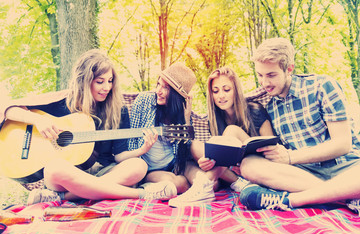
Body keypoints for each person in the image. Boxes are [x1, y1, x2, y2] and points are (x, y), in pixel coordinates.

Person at [3, 49, 176, 205]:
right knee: (54, 168)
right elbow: (7, 109)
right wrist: (37, 120)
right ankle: (140, 194)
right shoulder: (64, 102)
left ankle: (64, 197)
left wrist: (142, 150)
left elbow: (119, 157)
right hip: (68, 176)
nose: (107, 87)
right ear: (85, 81)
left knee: (138, 166)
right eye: (100, 81)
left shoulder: (118, 110)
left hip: (105, 172)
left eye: (110, 81)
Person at [237, 37, 360, 215]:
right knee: (249, 165)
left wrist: (289, 156)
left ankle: (290, 200)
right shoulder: (269, 103)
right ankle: (345, 196)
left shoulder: (322, 86)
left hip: (346, 167)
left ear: (289, 69)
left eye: (271, 75)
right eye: (260, 75)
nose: (265, 83)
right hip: (303, 175)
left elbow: (343, 144)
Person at [168, 67, 275, 207]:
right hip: (232, 173)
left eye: (226, 89)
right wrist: (208, 161)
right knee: (193, 146)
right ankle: (235, 183)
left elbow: (272, 148)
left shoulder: (255, 110)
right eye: (216, 91)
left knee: (231, 131)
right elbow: (218, 156)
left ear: (235, 90)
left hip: (256, 166)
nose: (221, 96)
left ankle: (204, 186)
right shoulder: (214, 120)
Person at [128, 62, 197, 196]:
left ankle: (155, 189)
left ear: (177, 95)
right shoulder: (144, 101)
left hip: (172, 167)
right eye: (158, 84)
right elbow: (132, 139)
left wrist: (187, 119)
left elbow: (187, 151)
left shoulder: (182, 111)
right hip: (147, 169)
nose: (158, 91)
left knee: (202, 181)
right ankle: (144, 187)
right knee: (179, 183)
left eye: (165, 88)